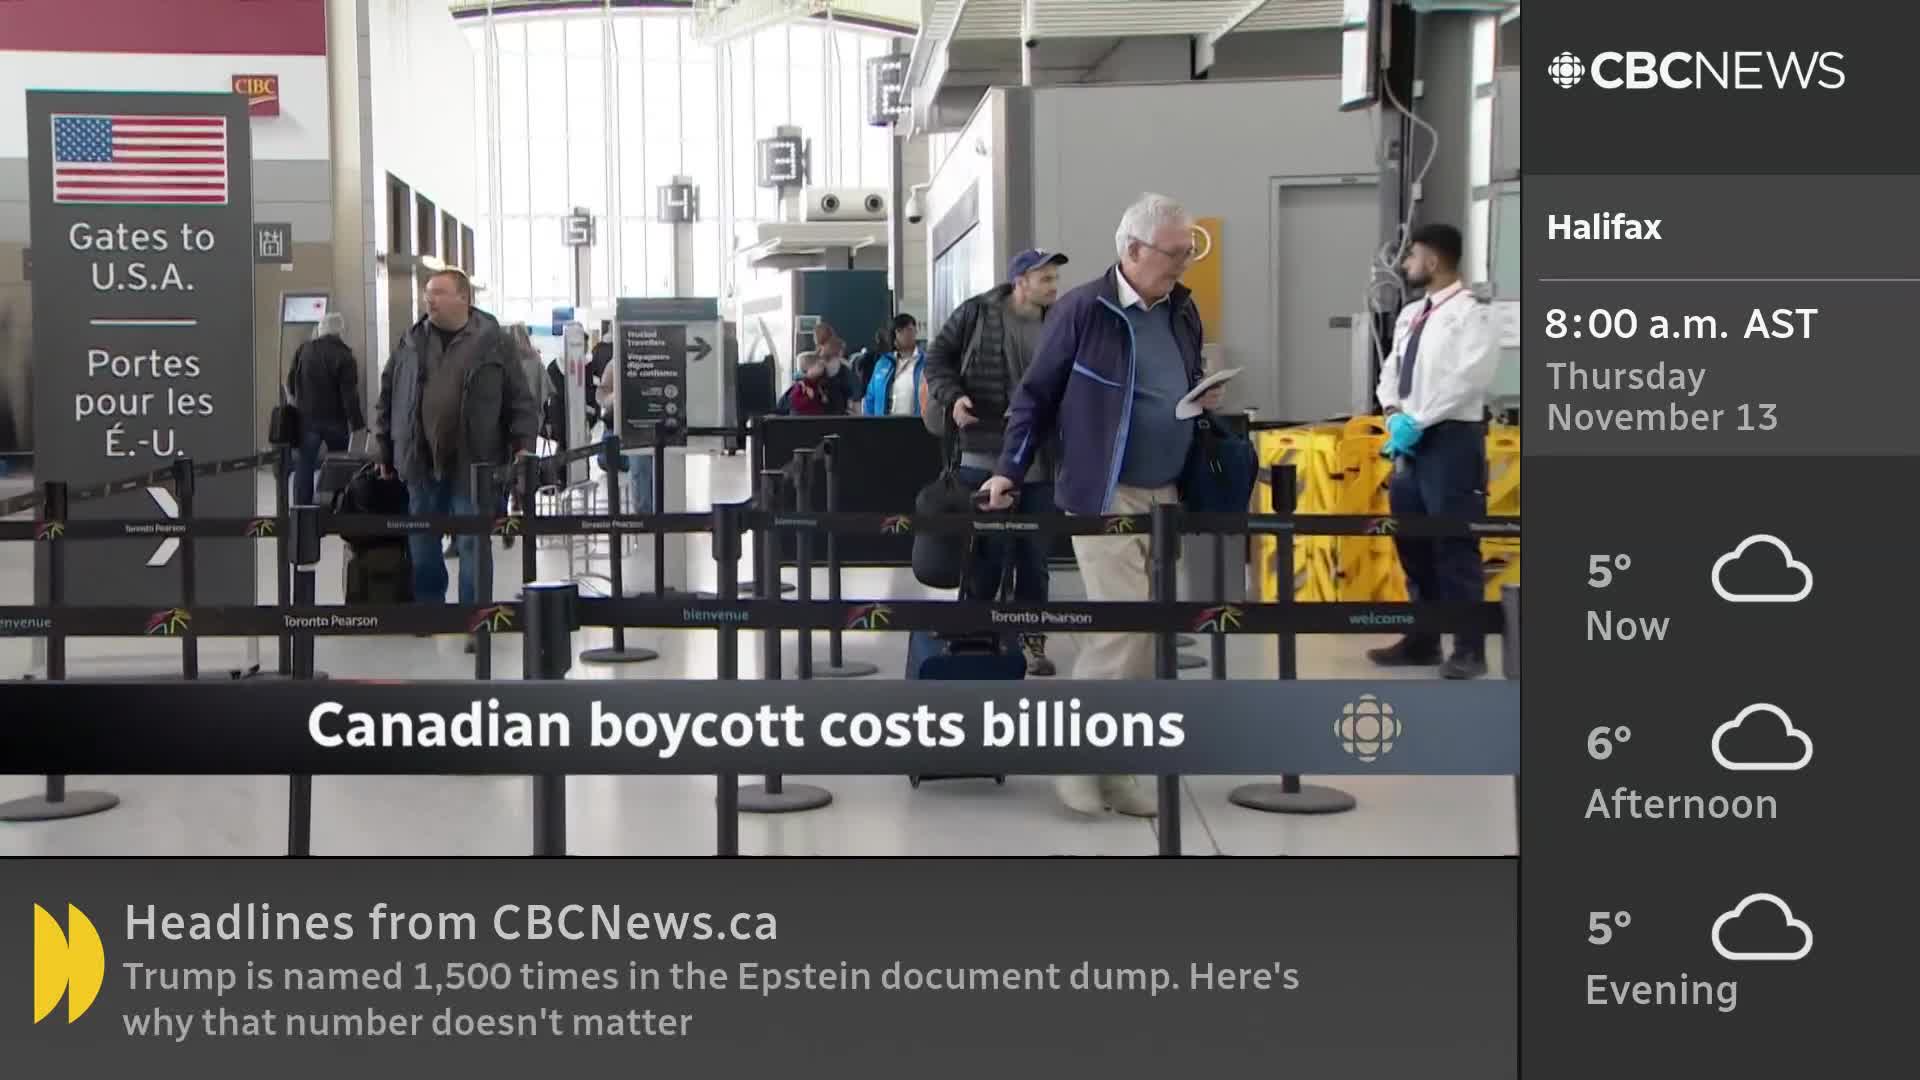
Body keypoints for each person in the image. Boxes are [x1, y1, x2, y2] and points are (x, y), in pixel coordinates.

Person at [981, 194, 1224, 817]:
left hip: (1167, 490)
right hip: (1105, 488)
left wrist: (1202, 401)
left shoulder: (1182, 309)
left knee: (1148, 639)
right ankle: (1074, 756)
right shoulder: (1083, 310)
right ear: (1133, 250)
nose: (1182, 265)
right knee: (1122, 629)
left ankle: (1115, 771)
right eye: (1173, 254)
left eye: (1187, 253)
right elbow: (1035, 396)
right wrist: (1010, 469)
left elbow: (1179, 376)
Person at [922, 248, 1070, 676]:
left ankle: (1032, 640)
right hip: (982, 448)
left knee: (1034, 554)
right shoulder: (977, 313)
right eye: (1046, 279)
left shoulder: (1059, 321)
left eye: (1055, 280)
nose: (1054, 287)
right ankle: (975, 634)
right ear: (1021, 280)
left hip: (1038, 455)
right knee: (984, 549)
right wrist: (954, 397)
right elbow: (937, 359)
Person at [375, 268, 540, 638]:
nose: (428, 299)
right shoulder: (410, 341)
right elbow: (388, 397)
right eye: (427, 293)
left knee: (473, 544)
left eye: (438, 292)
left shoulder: (493, 342)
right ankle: (431, 613)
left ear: (463, 298)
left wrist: (522, 447)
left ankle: (474, 618)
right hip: (419, 461)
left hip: (475, 463)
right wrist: (384, 448)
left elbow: (520, 401)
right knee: (423, 544)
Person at [1369, 223, 1500, 680]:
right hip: (1409, 439)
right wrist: (1392, 414)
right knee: (1413, 539)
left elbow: (1469, 377)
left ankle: (1468, 648)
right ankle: (1423, 638)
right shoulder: (1411, 315)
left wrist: (1418, 420)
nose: (1405, 264)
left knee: (1454, 542)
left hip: (1450, 440)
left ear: (1434, 260)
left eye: (1412, 256)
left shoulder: (1473, 314)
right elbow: (1390, 370)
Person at [286, 311, 364, 507]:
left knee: (305, 465)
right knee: (341, 464)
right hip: (335, 421)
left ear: (321, 329)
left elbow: (290, 382)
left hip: (307, 420)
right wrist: (358, 427)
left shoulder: (304, 350)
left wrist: (299, 403)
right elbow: (350, 397)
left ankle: (301, 509)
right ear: (340, 332)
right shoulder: (345, 356)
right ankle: (339, 504)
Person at [860, 314, 925, 417]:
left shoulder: (925, 363)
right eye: (899, 330)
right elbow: (870, 398)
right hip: (884, 426)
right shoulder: (883, 363)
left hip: (915, 425)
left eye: (908, 329)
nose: (904, 334)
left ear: (915, 332)